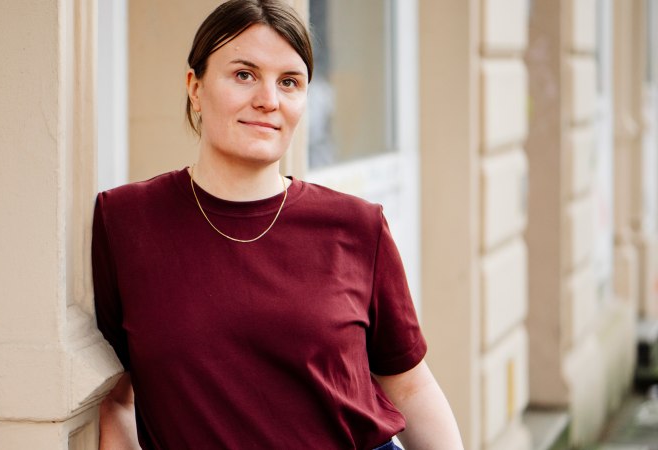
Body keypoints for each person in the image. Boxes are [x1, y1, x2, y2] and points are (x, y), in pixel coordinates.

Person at [93, 1, 464, 448]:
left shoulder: (356, 226)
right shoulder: (126, 221)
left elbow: (411, 387)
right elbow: (116, 399)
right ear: (195, 87)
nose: (268, 100)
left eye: (289, 82)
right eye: (244, 74)